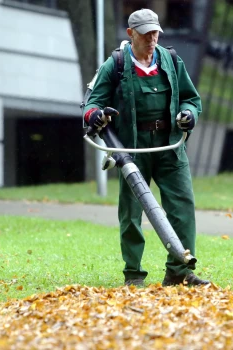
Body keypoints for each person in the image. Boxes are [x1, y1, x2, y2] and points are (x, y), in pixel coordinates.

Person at [83, 8, 209, 288]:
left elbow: (192, 99)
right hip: (132, 151)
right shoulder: (114, 64)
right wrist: (97, 115)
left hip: (170, 147)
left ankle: (179, 272)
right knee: (131, 213)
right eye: (146, 34)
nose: (152, 38)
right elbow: (91, 104)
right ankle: (133, 275)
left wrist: (188, 116)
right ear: (131, 34)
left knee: (182, 208)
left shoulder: (171, 60)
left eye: (156, 33)